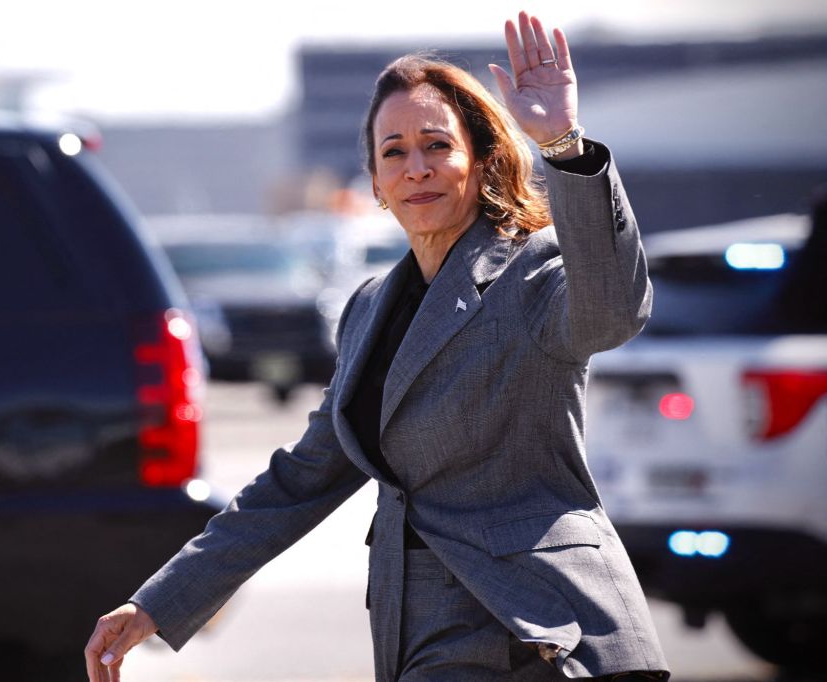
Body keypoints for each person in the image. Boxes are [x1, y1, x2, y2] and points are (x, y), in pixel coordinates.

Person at [86, 11, 670, 681]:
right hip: (424, 629)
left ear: (480, 162)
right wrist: (156, 601)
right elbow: (297, 482)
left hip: (541, 627)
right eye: (394, 151)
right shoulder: (367, 309)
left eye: (436, 145)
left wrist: (564, 146)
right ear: (374, 183)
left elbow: (612, 314)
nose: (416, 167)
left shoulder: (530, 272)